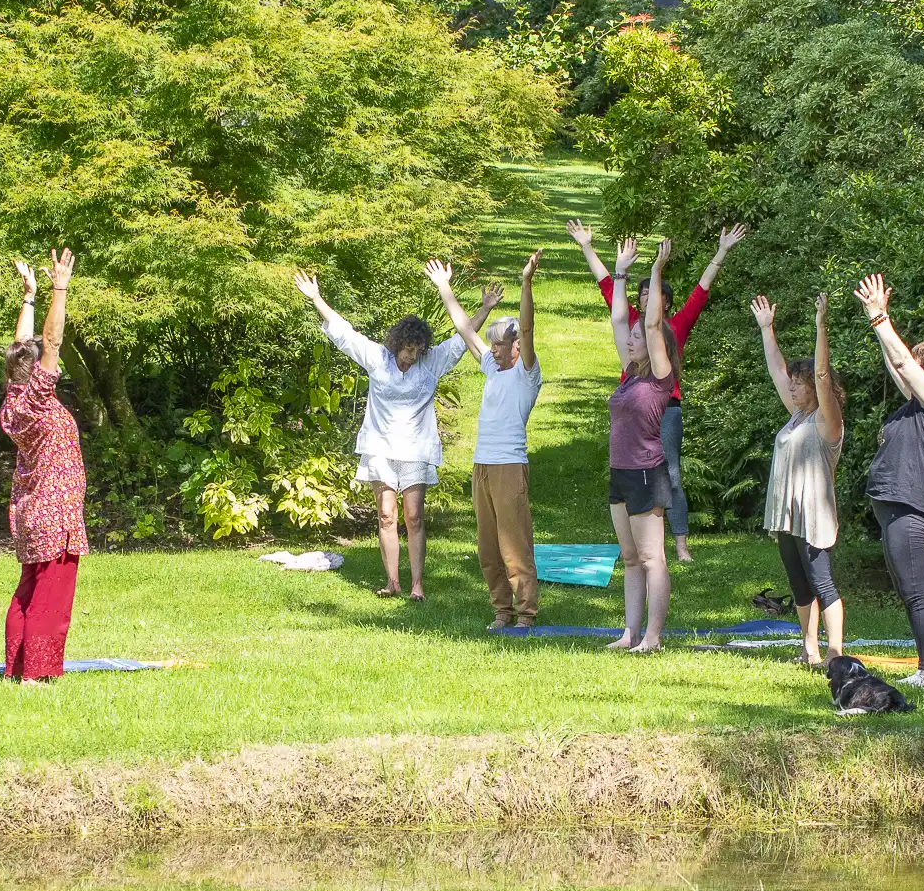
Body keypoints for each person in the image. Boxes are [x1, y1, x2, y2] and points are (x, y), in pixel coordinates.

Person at [294, 270, 498, 601]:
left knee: (414, 515)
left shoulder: (431, 363)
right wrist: (316, 298)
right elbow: (344, 334)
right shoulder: (378, 358)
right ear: (397, 344)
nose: (411, 356)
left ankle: (417, 584)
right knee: (386, 514)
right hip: (379, 445)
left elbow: (463, 337)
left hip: (416, 448)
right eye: (407, 349)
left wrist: (486, 307)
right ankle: (393, 582)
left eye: (417, 350)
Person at [568, 219, 749, 563]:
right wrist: (587, 246)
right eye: (644, 294)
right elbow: (608, 285)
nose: (648, 297)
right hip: (634, 406)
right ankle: (640, 545)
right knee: (629, 474)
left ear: (666, 303)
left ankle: (680, 546)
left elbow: (701, 291)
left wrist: (722, 251)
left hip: (666, 409)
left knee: (671, 474)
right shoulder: (631, 326)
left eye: (655, 294)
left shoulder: (675, 326)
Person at [854, 274, 924, 690]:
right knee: (909, 590)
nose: (910, 367)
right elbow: (897, 363)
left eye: (920, 364)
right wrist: (878, 327)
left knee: (918, 592)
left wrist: (880, 316)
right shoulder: (917, 407)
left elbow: (903, 362)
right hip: (894, 509)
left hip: (910, 509)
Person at [424, 253, 544, 629]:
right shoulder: (493, 367)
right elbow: (464, 328)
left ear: (515, 349)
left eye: (498, 344)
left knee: (514, 545)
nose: (491, 349)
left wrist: (526, 282)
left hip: (509, 465)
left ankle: (526, 613)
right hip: (483, 465)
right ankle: (501, 611)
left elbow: (526, 328)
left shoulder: (526, 374)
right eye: (491, 344)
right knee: (489, 547)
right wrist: (445, 287)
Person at [2, 250, 86, 685]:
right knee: (51, 598)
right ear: (36, 373)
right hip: (56, 515)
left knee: (28, 592)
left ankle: (14, 671)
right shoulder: (36, 400)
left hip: (32, 512)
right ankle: (35, 675)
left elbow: (23, 350)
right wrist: (59, 288)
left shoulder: (13, 403)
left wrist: (29, 297)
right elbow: (49, 344)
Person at [753, 291, 847, 666]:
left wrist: (821, 325)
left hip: (814, 516)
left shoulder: (827, 420)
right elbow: (777, 370)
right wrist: (767, 330)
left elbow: (823, 374)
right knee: (799, 585)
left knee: (823, 582)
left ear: (815, 389)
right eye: (792, 383)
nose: (791, 387)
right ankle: (809, 649)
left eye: (799, 383)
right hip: (789, 514)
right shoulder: (796, 415)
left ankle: (836, 653)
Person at [605, 238, 678, 653]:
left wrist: (654, 272)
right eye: (631, 336)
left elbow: (650, 327)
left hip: (647, 473)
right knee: (630, 558)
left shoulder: (659, 377)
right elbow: (619, 321)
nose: (630, 339)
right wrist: (619, 273)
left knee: (652, 559)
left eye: (638, 336)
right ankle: (630, 633)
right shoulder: (632, 374)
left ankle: (652, 637)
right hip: (621, 472)